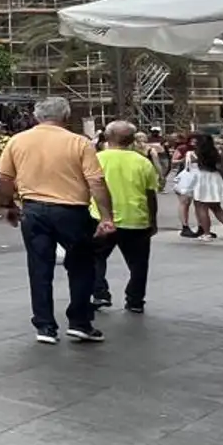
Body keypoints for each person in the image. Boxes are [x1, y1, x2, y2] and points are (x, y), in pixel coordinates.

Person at [0, 96, 113, 344]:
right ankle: (80, 322)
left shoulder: (17, 141)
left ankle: (45, 326)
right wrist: (106, 216)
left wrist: (7, 205)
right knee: (81, 266)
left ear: (36, 116)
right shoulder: (79, 142)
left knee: (39, 267)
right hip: (72, 211)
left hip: (33, 210)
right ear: (66, 116)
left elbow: (4, 178)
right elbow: (96, 181)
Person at [90, 121, 159, 313]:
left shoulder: (97, 159)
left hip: (101, 218)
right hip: (136, 218)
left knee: (95, 258)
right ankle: (135, 300)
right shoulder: (142, 162)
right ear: (131, 139)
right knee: (138, 264)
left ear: (107, 137)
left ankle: (100, 292)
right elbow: (150, 194)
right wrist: (153, 220)